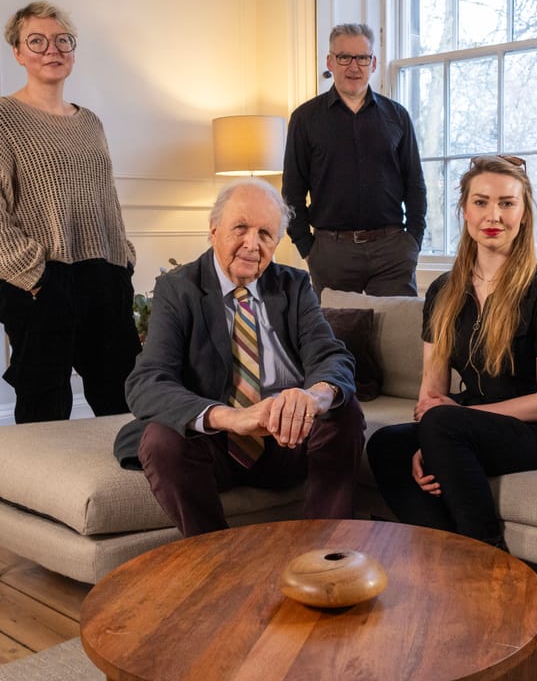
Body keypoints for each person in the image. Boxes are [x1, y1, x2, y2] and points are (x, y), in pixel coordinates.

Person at [113, 179, 365, 537]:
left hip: (286, 440)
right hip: (218, 444)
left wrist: (311, 398)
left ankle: (324, 550)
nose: (252, 244)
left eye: (265, 233)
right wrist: (233, 418)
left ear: (277, 243)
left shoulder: (294, 286)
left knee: (345, 411)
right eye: (241, 228)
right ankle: (216, 559)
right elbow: (147, 382)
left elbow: (331, 357)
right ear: (214, 231)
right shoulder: (179, 288)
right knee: (161, 440)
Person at [366, 155, 537, 548]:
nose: (493, 215)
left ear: (523, 212)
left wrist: (453, 418)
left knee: (443, 423)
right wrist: (424, 443)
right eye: (481, 202)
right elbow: (431, 393)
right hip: (468, 428)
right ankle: (444, 555)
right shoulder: (443, 291)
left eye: (507, 202)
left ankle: (487, 554)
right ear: (464, 210)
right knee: (385, 445)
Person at [0, 0, 140, 424]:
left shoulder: (89, 121)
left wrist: (123, 261)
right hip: (40, 279)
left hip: (104, 274)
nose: (51, 50)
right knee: (45, 403)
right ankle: (37, 491)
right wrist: (36, 276)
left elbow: (105, 198)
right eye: (36, 41)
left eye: (62, 41)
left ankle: (130, 485)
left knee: (123, 395)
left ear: (73, 52)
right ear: (18, 52)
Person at [282, 22, 426, 296]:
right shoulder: (305, 119)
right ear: (330, 62)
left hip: (392, 252)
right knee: (334, 338)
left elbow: (415, 184)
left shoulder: (397, 117)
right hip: (331, 253)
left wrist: (413, 242)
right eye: (344, 57)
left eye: (362, 58)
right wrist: (308, 249)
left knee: (396, 337)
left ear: (372, 64)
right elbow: (292, 192)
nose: (354, 66)